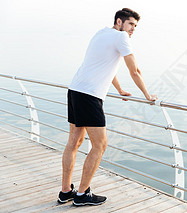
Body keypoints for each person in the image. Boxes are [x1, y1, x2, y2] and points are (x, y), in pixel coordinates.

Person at [57, 8, 158, 206]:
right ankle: (82, 194)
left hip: (75, 90)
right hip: (89, 96)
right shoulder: (121, 38)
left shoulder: (100, 33)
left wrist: (119, 90)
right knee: (100, 145)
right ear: (119, 22)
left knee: (74, 143)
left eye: (136, 26)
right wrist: (147, 95)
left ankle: (66, 192)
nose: (132, 30)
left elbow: (104, 66)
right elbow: (135, 70)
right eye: (130, 24)